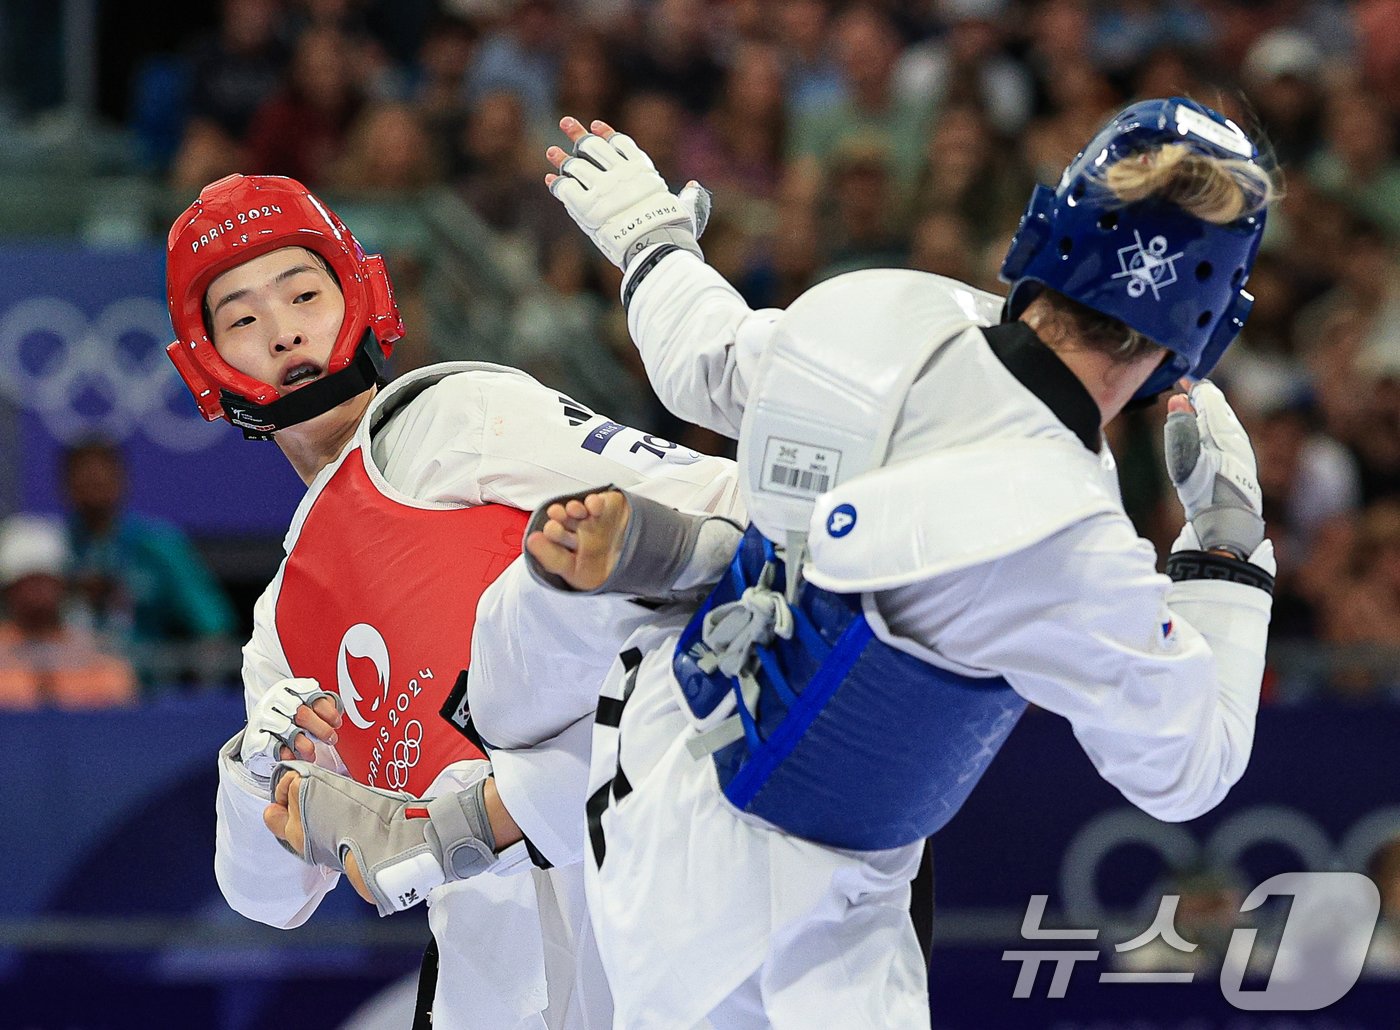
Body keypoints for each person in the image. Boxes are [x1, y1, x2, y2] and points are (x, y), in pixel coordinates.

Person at [530, 97, 1279, 1026]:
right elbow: (1186, 770)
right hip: (786, 931)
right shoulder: (1073, 543)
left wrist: (650, 237)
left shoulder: (880, 309)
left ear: (1053, 222)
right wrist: (1227, 551)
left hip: (646, 782)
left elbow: (702, 365)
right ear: (1206, 330)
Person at [163, 173, 740, 1028]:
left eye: (304, 295)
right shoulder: (280, 623)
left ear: (360, 296)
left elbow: (717, 511)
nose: (283, 330)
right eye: (242, 319)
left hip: (648, 902)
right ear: (208, 362)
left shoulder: (451, 415)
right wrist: (254, 772)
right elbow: (270, 900)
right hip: (492, 982)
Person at [62, 437, 238, 686]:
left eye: (100, 482)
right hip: (70, 688)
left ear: (121, 481)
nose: (93, 492)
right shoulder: (51, 546)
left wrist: (203, 690)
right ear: (66, 486)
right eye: (85, 483)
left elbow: (212, 623)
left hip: (148, 691)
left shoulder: (159, 545)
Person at [0, 514, 137, 708]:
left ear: (63, 586)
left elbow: (117, 704)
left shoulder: (98, 658)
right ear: (7, 590)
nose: (37, 590)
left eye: (45, 580)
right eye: (26, 582)